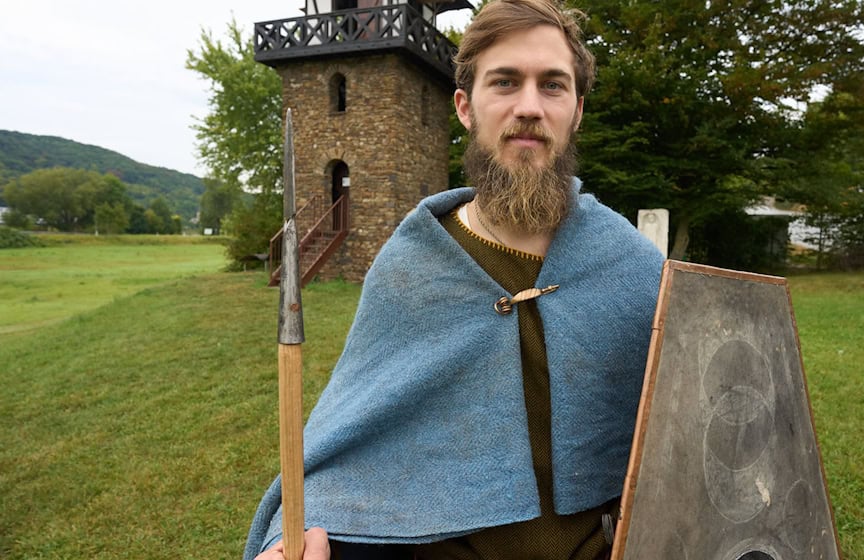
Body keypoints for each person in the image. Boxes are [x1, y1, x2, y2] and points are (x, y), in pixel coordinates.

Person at [246, 1, 664, 558]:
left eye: (553, 86)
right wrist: (290, 540)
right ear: (466, 107)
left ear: (578, 109)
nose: (529, 107)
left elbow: (702, 442)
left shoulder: (635, 269)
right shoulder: (412, 268)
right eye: (506, 82)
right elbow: (348, 454)